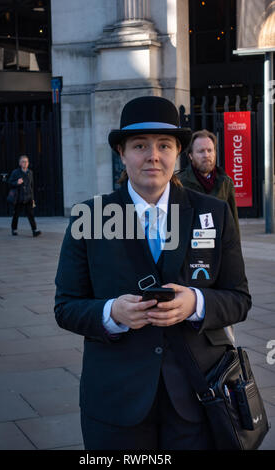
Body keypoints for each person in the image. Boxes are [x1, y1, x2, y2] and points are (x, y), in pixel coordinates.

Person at [54, 96, 251, 450]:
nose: (153, 156)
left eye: (164, 145)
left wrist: (196, 302)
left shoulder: (214, 213)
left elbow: (239, 299)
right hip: (116, 401)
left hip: (198, 397)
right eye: (140, 145)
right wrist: (110, 312)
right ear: (122, 152)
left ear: (178, 152)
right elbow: (66, 305)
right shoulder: (89, 217)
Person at [178, 129, 240, 237]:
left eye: (210, 150)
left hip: (218, 246)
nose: (206, 155)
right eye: (201, 151)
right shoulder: (180, 183)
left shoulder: (226, 182)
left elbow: (233, 223)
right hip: (191, 247)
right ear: (191, 156)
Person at [8, 155, 41, 237]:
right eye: (23, 161)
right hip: (18, 198)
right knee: (16, 215)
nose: (25, 163)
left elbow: (31, 186)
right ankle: (14, 229)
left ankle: (34, 230)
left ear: (28, 163)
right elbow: (9, 183)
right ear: (20, 163)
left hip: (28, 198)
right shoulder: (15, 172)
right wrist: (16, 182)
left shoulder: (30, 172)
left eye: (26, 161)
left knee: (31, 215)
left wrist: (32, 199)